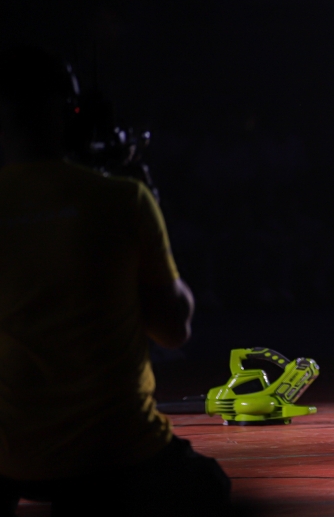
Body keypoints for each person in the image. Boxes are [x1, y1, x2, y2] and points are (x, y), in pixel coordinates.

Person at [0, 46, 230, 516]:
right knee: (209, 486)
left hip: (10, 457)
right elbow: (173, 330)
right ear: (68, 114)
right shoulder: (122, 199)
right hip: (117, 455)